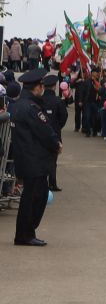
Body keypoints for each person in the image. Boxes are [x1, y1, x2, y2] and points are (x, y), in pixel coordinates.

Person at [10, 69, 60, 246]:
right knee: (35, 199)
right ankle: (26, 234)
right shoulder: (31, 108)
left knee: (31, 197)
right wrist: (56, 144)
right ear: (37, 88)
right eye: (41, 86)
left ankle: (25, 233)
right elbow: (45, 132)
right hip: (34, 160)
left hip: (24, 158)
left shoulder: (16, 105)